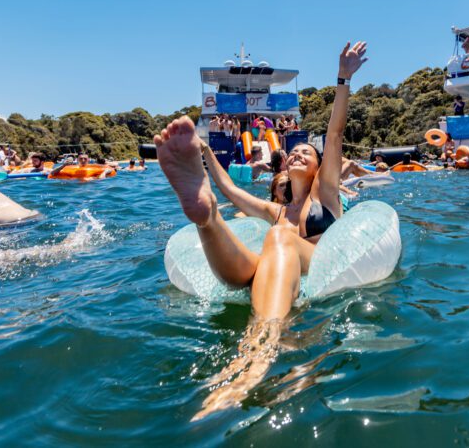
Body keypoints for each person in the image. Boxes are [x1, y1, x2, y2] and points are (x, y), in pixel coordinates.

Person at [154, 41, 367, 419]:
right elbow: (233, 191)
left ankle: (259, 349)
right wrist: (205, 153)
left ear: (320, 167)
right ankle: (206, 219)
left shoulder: (327, 194)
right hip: (276, 268)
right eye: (295, 152)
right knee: (256, 245)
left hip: (316, 264)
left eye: (308, 153)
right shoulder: (276, 209)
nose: (300, 153)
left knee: (280, 236)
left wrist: (342, 80)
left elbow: (334, 135)